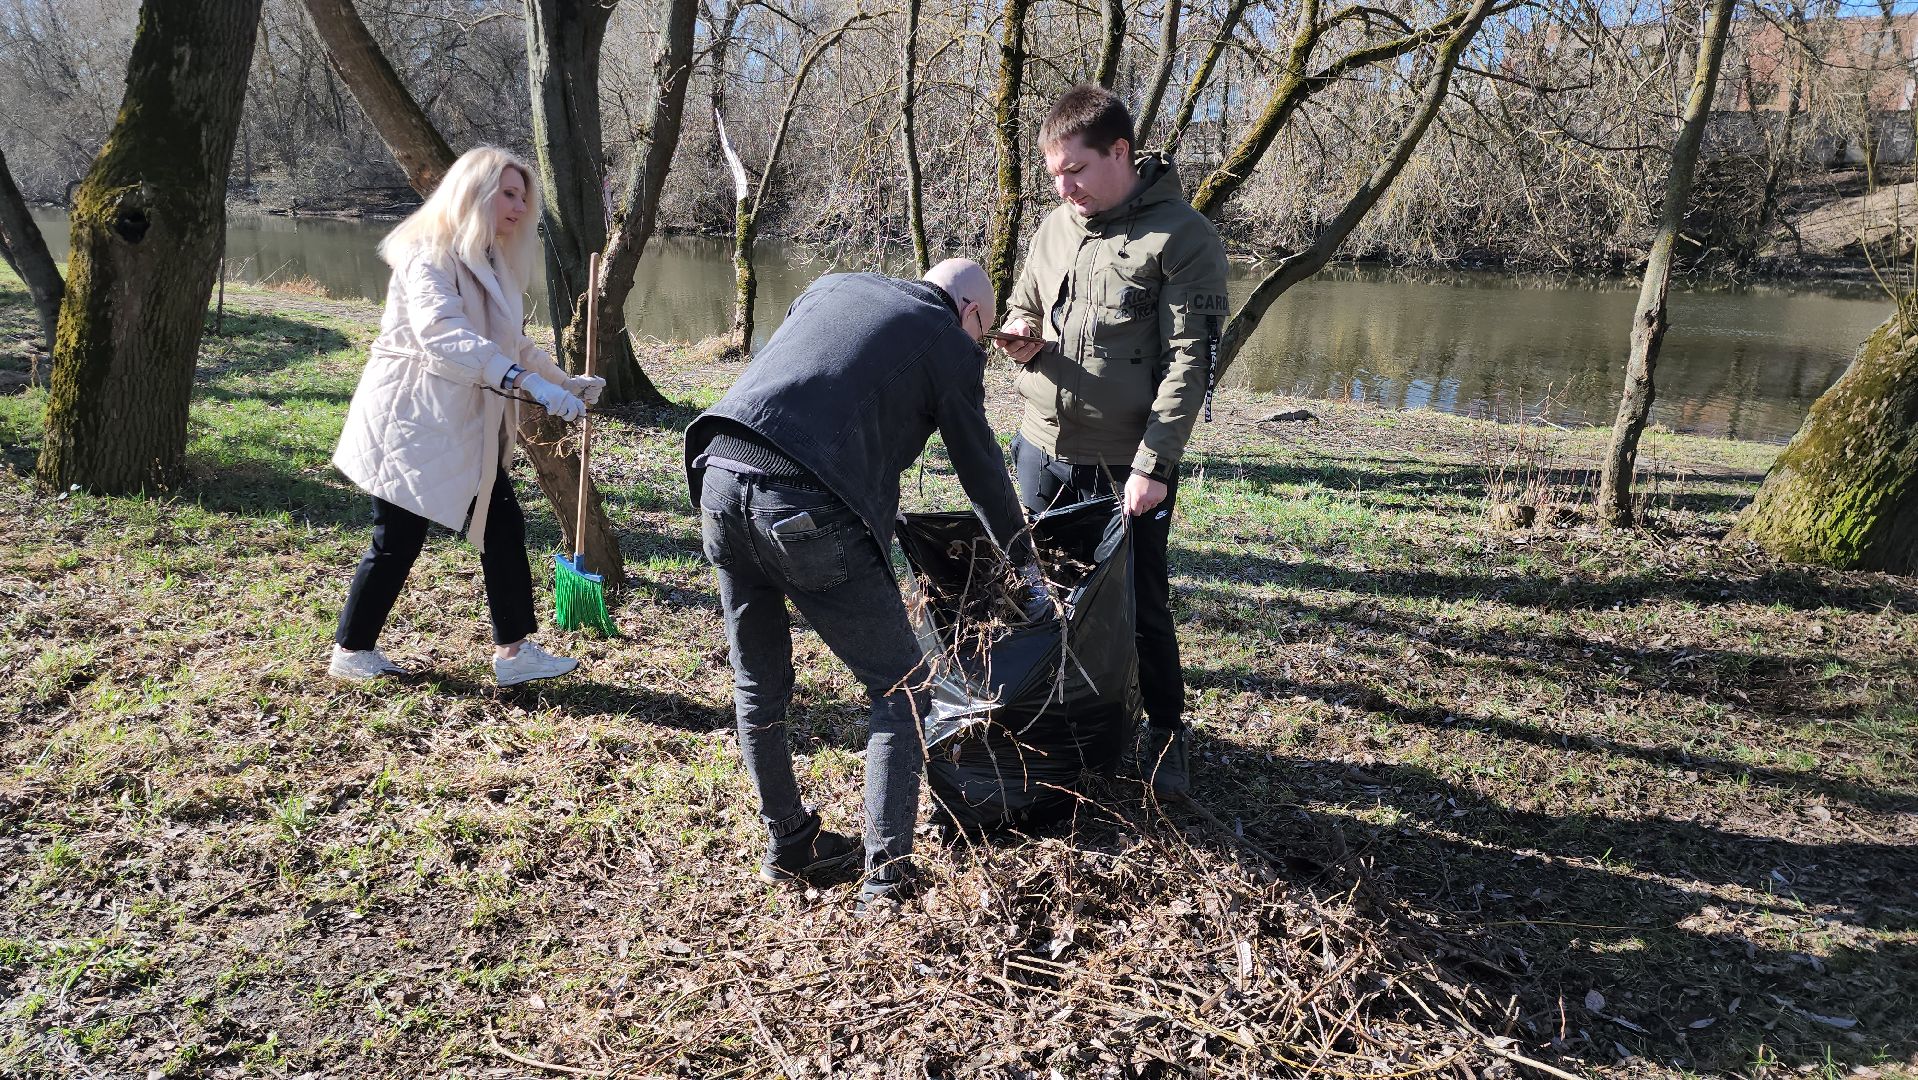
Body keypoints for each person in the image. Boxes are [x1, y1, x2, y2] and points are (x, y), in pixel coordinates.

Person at [684, 259, 1036, 912]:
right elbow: (982, 469)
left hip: (717, 473)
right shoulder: (948, 341)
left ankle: (789, 845)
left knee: (757, 682)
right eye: (981, 335)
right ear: (970, 316)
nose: (976, 347)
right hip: (799, 506)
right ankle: (885, 882)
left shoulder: (834, 285)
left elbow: (816, 390)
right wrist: (1026, 562)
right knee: (902, 690)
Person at [997, 85, 1231, 800]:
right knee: (1035, 592)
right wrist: (1016, 333)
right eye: (1054, 176)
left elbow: (1192, 364)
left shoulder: (1184, 239)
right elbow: (1024, 304)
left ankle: (1165, 735)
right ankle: (1049, 716)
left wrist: (1154, 468)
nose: (1065, 187)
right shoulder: (1053, 226)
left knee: (1138, 604)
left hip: (1126, 464)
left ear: (1120, 153)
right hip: (1040, 448)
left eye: (1076, 170)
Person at [329, 146, 604, 688]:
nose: (519, 207)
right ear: (473, 191)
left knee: (501, 526)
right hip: (410, 421)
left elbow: (512, 343)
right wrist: (526, 385)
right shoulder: (425, 251)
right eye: (508, 193)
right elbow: (442, 335)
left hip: (456, 425)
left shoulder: (490, 257)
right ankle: (352, 649)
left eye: (523, 197)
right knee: (396, 538)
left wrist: (563, 382)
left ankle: (514, 651)